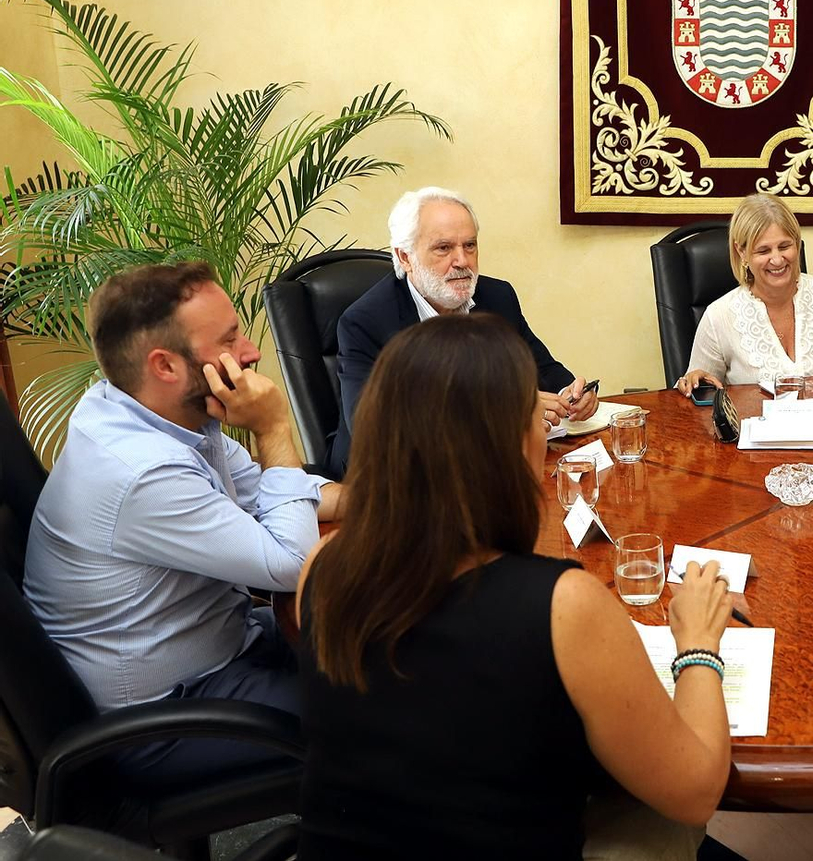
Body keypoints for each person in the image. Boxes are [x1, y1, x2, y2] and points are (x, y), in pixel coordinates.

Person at [296, 315, 733, 859]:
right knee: (663, 822)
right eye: (536, 416)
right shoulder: (560, 605)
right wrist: (698, 643)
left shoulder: (322, 566)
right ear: (508, 445)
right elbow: (695, 792)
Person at [24, 261, 338, 785]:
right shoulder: (140, 470)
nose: (250, 353)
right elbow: (291, 563)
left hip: (220, 645)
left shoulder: (164, 413)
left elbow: (277, 495)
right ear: (165, 366)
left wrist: (400, 499)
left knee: (379, 658)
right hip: (158, 720)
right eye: (230, 339)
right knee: (388, 714)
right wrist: (274, 426)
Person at [330, 186, 595, 476]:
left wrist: (571, 394)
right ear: (405, 257)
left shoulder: (497, 297)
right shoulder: (366, 320)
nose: (462, 261)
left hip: (485, 467)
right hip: (393, 479)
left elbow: (540, 366)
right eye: (444, 248)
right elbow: (373, 426)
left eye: (469, 245)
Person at [676, 193, 813, 394]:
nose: (777, 260)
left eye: (785, 246)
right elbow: (697, 390)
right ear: (742, 252)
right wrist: (693, 382)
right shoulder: (718, 316)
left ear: (797, 243)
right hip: (750, 424)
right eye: (763, 251)